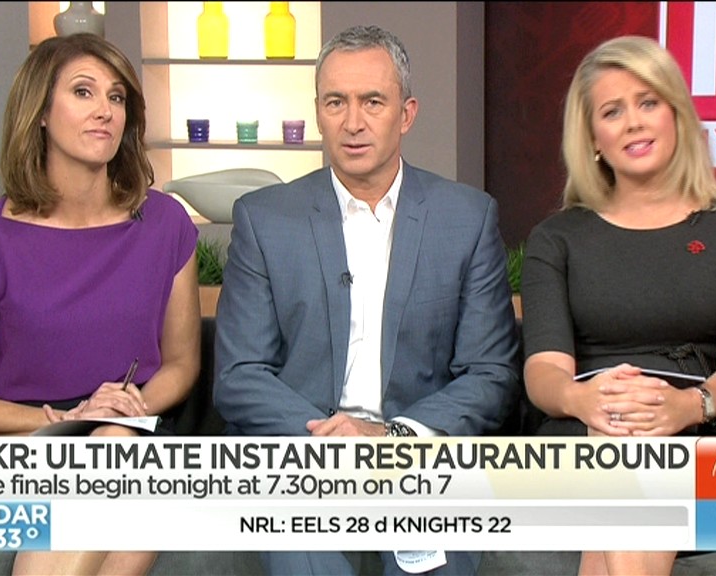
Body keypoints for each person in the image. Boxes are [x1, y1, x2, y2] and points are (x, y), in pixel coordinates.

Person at [213, 24, 521, 575]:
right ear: (317, 112)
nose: (352, 122)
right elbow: (239, 375)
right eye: (336, 102)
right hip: (300, 457)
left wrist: (392, 438)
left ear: (406, 114)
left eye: (372, 102)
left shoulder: (467, 218)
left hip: (416, 455)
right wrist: (330, 442)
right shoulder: (264, 219)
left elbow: (490, 374)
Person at [0, 33, 200, 575]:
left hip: (130, 435)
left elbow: (183, 363)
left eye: (116, 97)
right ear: (42, 112)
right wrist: (67, 421)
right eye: (83, 92)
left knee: (123, 463)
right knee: (126, 481)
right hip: (19, 444)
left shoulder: (165, 224)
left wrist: (124, 406)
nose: (104, 111)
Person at [520, 35, 716, 575]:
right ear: (592, 138)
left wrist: (687, 406)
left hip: (714, 440)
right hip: (581, 434)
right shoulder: (556, 239)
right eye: (612, 112)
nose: (634, 123)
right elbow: (544, 371)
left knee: (631, 463)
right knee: (623, 442)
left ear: (677, 114)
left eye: (648, 102)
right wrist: (585, 402)